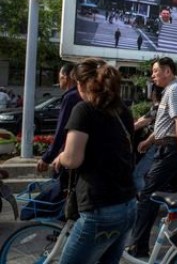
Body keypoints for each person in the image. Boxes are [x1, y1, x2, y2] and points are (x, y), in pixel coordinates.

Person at [51, 58, 136, 264]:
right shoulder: (122, 110)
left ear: (79, 84)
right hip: (128, 205)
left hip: (100, 209)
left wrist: (60, 157)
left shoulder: (84, 110)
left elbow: (72, 159)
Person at [127, 57, 177, 258]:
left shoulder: (175, 90)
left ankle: (138, 246)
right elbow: (165, 123)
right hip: (166, 147)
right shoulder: (168, 92)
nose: (153, 75)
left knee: (147, 195)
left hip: (170, 151)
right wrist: (149, 141)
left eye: (156, 71)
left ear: (168, 72)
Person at [37, 63, 82, 173]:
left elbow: (62, 129)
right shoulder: (81, 96)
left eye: (60, 77)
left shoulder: (70, 97)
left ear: (65, 77)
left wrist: (47, 157)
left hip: (69, 153)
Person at [132, 85, 162, 194]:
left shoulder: (158, 108)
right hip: (154, 144)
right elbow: (141, 120)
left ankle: (146, 200)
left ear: (154, 93)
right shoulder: (157, 107)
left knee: (137, 174)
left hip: (152, 145)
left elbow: (141, 122)